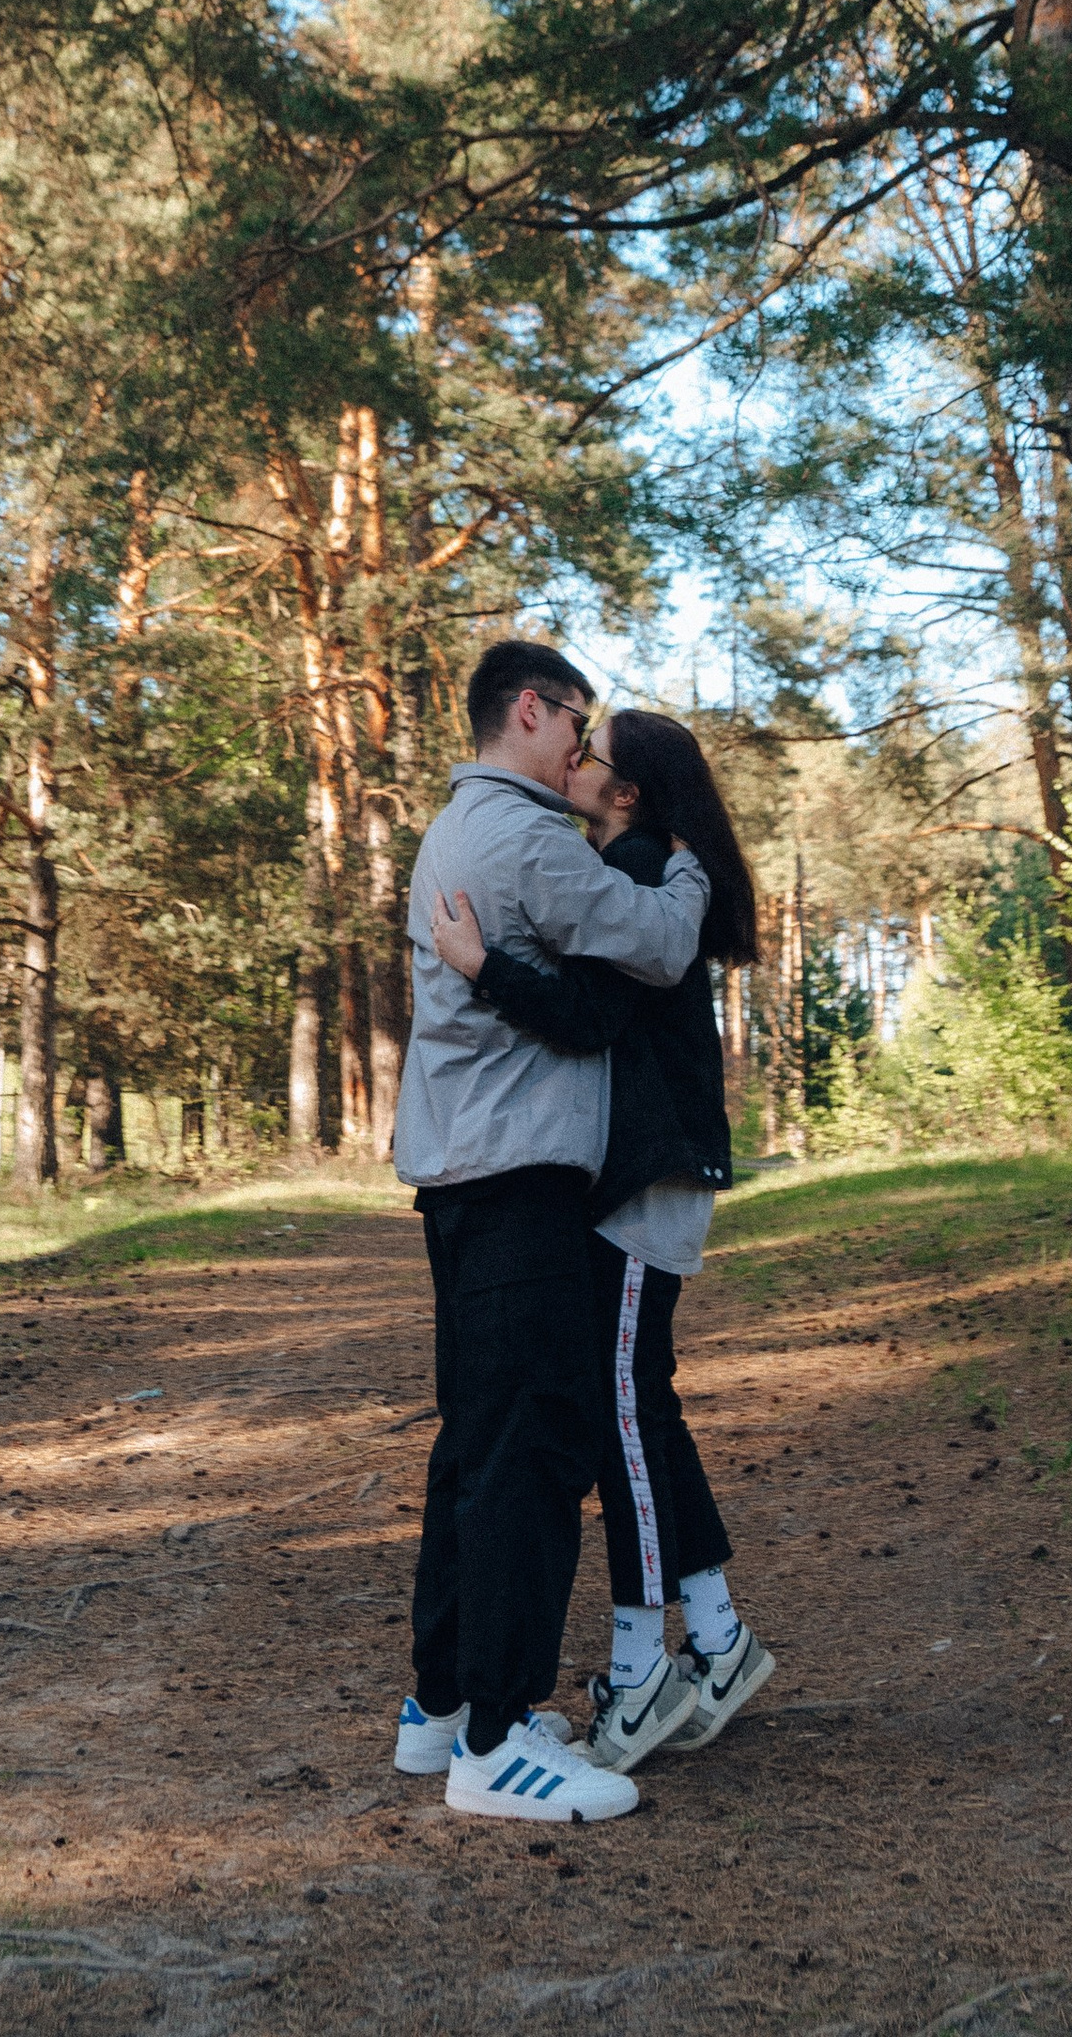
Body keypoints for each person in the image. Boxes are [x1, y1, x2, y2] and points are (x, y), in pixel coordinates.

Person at [391, 637, 711, 1827]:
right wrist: (682, 868)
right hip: (518, 1177)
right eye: (574, 717)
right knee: (529, 1453)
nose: (583, 740)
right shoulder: (523, 836)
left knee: (474, 1447)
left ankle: (439, 1710)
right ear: (529, 709)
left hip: (467, 1174)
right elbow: (661, 945)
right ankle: (495, 1739)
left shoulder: (456, 828)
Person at [427, 704, 773, 1778]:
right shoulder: (636, 861)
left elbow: (586, 1014)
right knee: (637, 1405)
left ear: (626, 789)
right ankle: (711, 1640)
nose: (573, 764)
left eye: (594, 757)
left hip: (645, 1179)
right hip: (641, 1177)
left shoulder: (637, 866)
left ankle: (645, 1665)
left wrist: (483, 966)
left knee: (621, 1412)